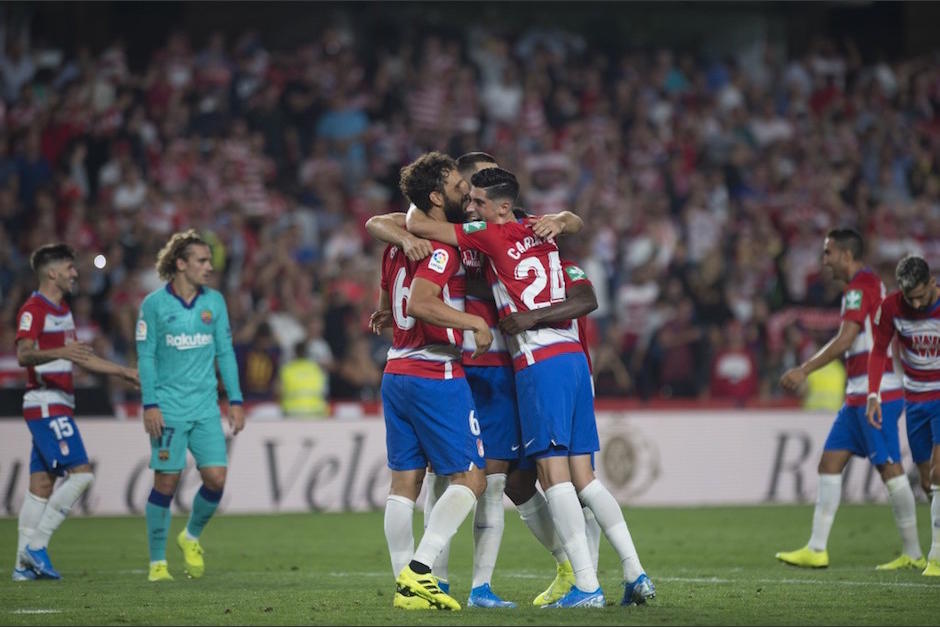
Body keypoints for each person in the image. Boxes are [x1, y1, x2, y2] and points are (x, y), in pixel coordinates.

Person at [407, 166, 655, 608]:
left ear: (502, 209)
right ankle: (634, 572)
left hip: (539, 363)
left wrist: (413, 220)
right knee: (585, 478)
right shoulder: (546, 238)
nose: (471, 208)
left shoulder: (493, 235)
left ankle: (586, 585)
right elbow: (573, 229)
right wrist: (562, 218)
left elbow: (419, 223)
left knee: (551, 474)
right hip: (575, 359)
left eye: (478, 202)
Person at [366, 151, 594, 608]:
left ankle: (478, 585)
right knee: (450, 480)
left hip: (490, 368)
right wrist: (404, 236)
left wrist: (566, 221)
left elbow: (569, 222)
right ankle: (431, 578)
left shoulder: (508, 226)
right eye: (462, 188)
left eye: (474, 192)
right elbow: (383, 220)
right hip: (448, 364)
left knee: (495, 481)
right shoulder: (442, 236)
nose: (469, 199)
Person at [373, 151, 491, 611]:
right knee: (471, 478)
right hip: (433, 371)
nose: (467, 190)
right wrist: (473, 324)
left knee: (405, 484)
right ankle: (421, 571)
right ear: (436, 197)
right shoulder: (441, 249)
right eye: (459, 185)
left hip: (396, 369)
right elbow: (421, 302)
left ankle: (406, 588)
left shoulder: (397, 244)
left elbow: (387, 304)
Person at [775, 229, 921, 570]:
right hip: (859, 392)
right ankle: (816, 548)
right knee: (829, 463)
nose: (824, 261)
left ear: (845, 254)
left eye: (828, 253)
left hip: (878, 391)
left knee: (890, 468)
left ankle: (913, 553)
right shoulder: (865, 285)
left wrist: (804, 369)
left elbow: (846, 339)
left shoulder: (860, 286)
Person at [13, 244, 139, 581]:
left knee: (41, 485)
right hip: (45, 402)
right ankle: (36, 546)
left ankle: (22, 568)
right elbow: (23, 354)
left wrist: (124, 373)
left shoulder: (63, 309)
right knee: (82, 474)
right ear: (52, 272)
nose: (74, 273)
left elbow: (79, 356)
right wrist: (61, 351)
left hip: (59, 401)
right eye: (69, 268)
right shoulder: (34, 308)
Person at [135, 229, 245, 583]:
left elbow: (225, 353)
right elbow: (146, 357)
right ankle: (157, 563)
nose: (209, 267)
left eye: (209, 261)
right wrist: (150, 403)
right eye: (201, 260)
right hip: (167, 407)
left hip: (205, 407)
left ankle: (191, 536)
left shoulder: (214, 302)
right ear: (180, 264)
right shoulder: (153, 305)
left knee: (216, 478)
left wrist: (236, 399)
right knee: (166, 482)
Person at [866, 255, 940, 576]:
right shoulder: (891, 308)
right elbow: (879, 350)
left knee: (939, 474)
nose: (918, 302)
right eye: (911, 297)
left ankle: (937, 556)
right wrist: (873, 393)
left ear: (933, 282)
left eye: (922, 294)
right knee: (926, 481)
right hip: (915, 400)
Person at [279, 341, 328, 418]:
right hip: (315, 413)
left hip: (292, 413)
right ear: (308, 353)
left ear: (295, 353)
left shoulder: (287, 369)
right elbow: (324, 391)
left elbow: (278, 391)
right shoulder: (317, 369)